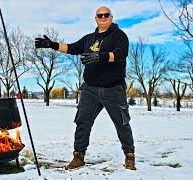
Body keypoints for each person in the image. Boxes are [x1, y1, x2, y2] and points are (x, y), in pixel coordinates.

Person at [35, 6, 136, 170]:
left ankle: (129, 156)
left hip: (113, 89)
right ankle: (78, 157)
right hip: (90, 89)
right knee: (82, 122)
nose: (103, 17)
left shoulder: (119, 36)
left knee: (122, 123)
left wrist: (100, 56)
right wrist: (52, 44)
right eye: (99, 15)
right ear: (95, 18)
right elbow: (72, 48)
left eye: (106, 15)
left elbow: (120, 54)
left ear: (111, 17)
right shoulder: (89, 39)